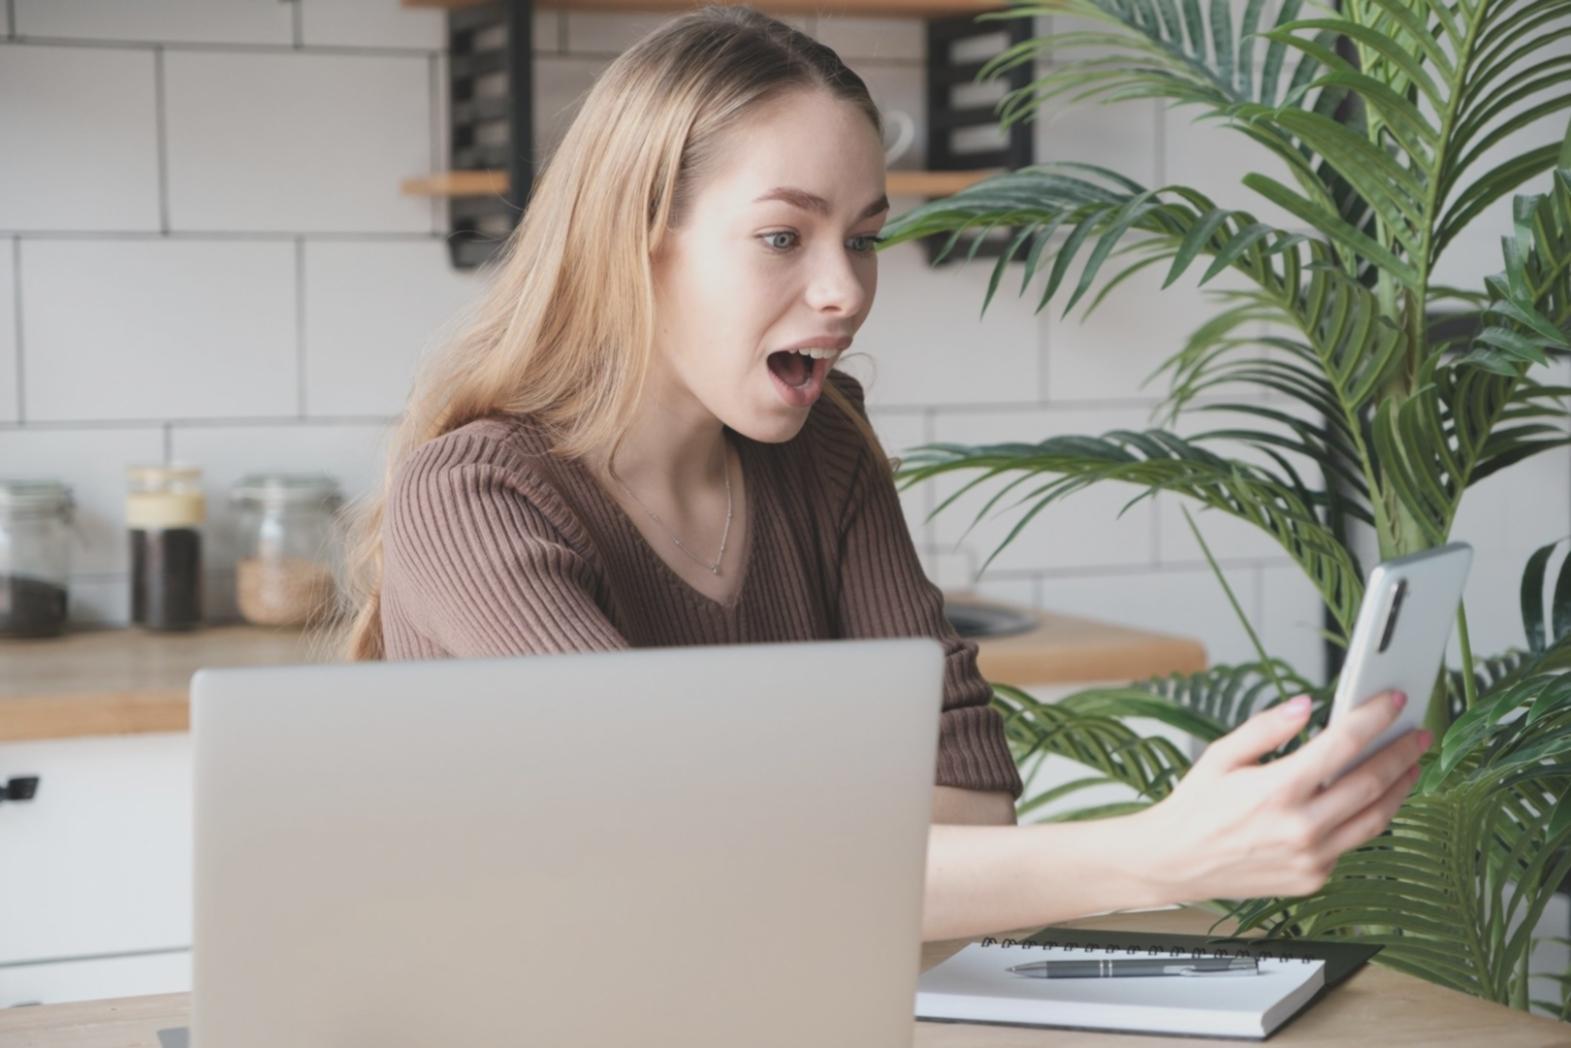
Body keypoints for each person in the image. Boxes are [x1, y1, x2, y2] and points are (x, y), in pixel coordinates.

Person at [324, 5, 1430, 943]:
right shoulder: (474, 499)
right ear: (635, 237)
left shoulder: (822, 452)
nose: (843, 290)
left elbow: (966, 803)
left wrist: (776, 850)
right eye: (781, 239)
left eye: (861, 237)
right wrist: (1158, 858)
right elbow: (676, 844)